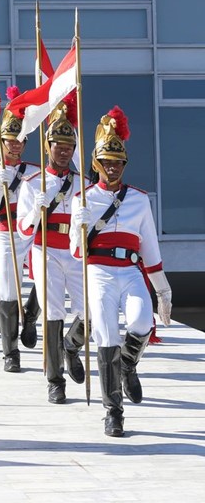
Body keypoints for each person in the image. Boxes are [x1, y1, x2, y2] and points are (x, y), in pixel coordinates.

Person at [70, 106, 172, 437]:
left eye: (117, 163)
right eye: (106, 162)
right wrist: (79, 225)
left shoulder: (139, 200)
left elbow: (150, 250)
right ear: (97, 163)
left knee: (143, 321)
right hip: (98, 270)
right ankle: (113, 411)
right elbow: (75, 251)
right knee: (105, 334)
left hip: (129, 271)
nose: (112, 168)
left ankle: (128, 365)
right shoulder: (82, 198)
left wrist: (163, 291)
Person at [16, 96, 87, 403]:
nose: (63, 151)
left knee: (91, 313)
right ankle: (55, 379)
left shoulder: (83, 183)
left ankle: (72, 345)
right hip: (46, 250)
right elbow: (22, 228)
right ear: (47, 147)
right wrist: (36, 209)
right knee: (53, 313)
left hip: (75, 253)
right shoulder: (34, 182)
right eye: (57, 145)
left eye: (68, 146)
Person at [0, 86, 39, 372]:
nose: (15, 145)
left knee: (47, 279)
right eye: (10, 140)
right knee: (6, 288)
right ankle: (10, 350)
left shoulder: (36, 171)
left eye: (20, 140)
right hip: (6, 230)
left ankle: (31, 316)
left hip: (35, 232)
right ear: (1, 141)